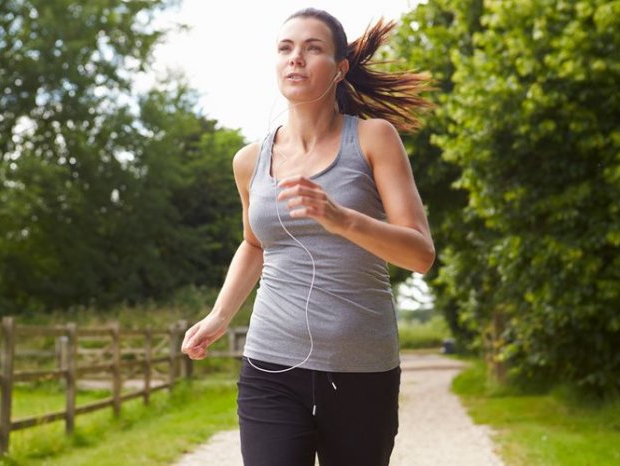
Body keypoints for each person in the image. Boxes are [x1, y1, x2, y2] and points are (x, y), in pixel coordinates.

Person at [181, 7, 435, 466]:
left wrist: (341, 218)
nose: (295, 58)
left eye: (312, 48)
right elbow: (255, 244)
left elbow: (419, 254)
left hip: (361, 370)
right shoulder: (249, 160)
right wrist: (220, 316)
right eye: (285, 48)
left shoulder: (375, 139)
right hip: (270, 366)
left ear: (339, 69)